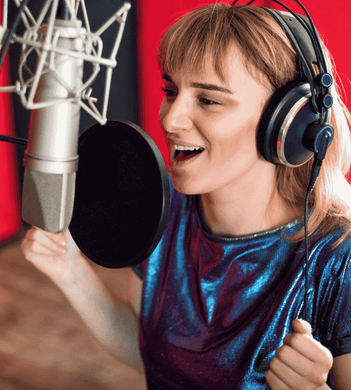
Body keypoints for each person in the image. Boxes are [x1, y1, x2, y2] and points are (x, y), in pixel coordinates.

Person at [21, 3, 351, 389]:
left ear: (290, 124)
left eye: (208, 100)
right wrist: (71, 272)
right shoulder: (165, 209)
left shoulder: (339, 260)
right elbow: (149, 350)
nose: (170, 119)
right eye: (170, 91)